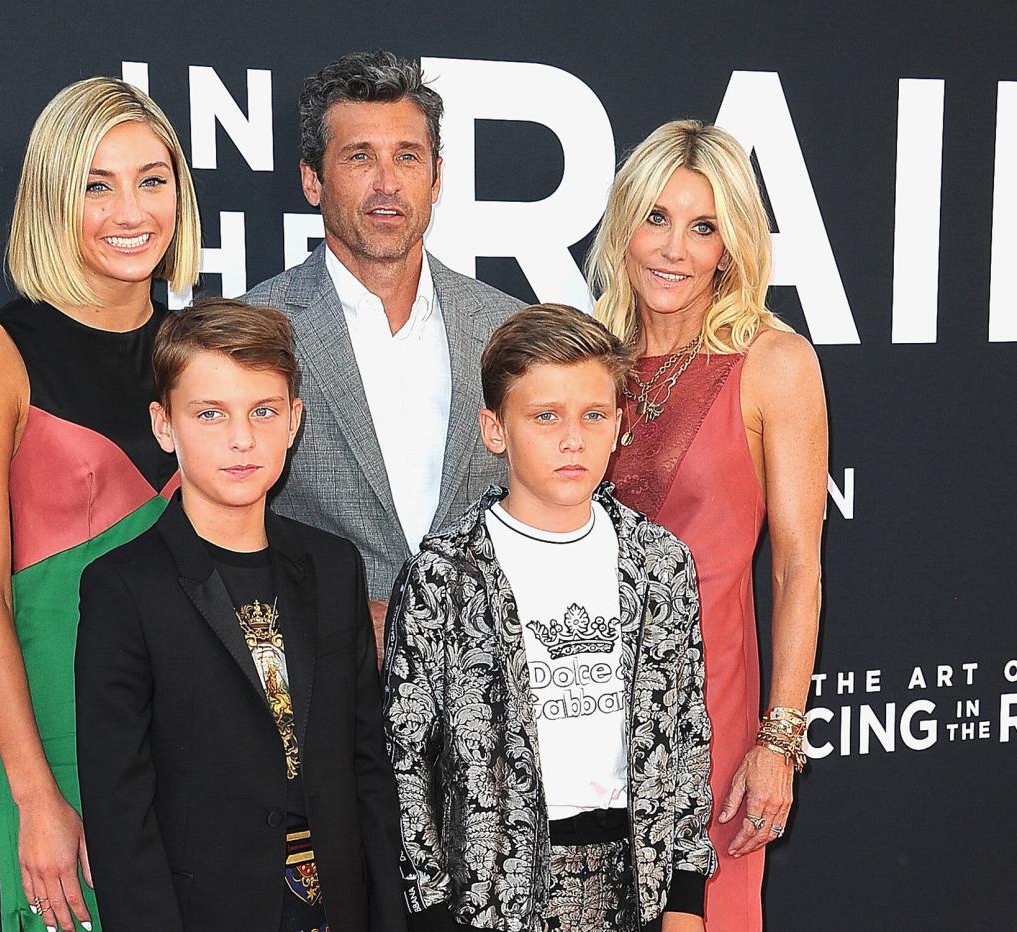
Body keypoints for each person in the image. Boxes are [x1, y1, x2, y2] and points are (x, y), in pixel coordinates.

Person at [0, 77, 200, 932]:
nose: (132, 210)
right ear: (53, 197)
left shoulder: (201, 351)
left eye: (152, 180)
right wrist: (34, 794)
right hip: (61, 739)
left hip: (197, 734)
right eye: (97, 183)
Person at [74, 299, 405, 931]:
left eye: (263, 411)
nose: (242, 439)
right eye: (210, 414)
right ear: (164, 425)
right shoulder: (123, 588)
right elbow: (120, 809)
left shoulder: (334, 568)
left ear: (294, 420)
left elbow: (368, 766)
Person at [383, 304, 715, 932]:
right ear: (494, 429)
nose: (573, 440)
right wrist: (428, 913)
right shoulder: (445, 578)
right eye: (545, 417)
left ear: (621, 425)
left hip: (637, 884)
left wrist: (686, 898)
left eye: (594, 416)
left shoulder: (661, 565)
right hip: (492, 896)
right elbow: (407, 764)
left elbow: (685, 741)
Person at [587, 119, 827, 932]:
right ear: (623, 223)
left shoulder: (773, 362)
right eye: (655, 217)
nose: (674, 249)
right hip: (578, 712)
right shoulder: (587, 360)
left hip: (713, 722)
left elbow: (798, 566)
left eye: (703, 226)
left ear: (730, 245)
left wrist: (780, 740)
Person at [244, 49, 523, 656]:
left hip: (487, 698)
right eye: (359, 157)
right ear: (312, 180)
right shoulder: (255, 330)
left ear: (437, 176)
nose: (387, 182)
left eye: (407, 156)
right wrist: (339, 616)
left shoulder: (505, 328)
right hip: (318, 691)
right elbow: (221, 530)